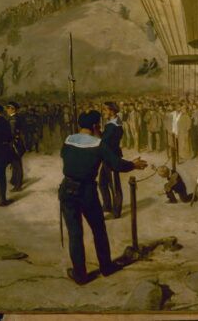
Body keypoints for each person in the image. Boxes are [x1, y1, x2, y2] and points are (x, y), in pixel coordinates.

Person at [60, 110, 147, 284]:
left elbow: (65, 157)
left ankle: (80, 275)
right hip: (86, 192)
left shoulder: (69, 140)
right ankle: (106, 267)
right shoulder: (99, 144)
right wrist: (134, 165)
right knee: (98, 230)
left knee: (75, 233)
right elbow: (116, 164)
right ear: (95, 126)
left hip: (67, 189)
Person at [98, 101, 124, 219]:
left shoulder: (114, 126)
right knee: (103, 182)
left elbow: (104, 141)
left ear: (112, 111)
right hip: (108, 157)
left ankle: (116, 211)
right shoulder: (112, 123)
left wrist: (97, 132)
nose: (103, 113)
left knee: (114, 185)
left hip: (112, 158)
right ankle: (107, 206)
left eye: (105, 110)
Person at [7, 102, 26, 191]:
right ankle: (14, 180)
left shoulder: (13, 119)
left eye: (8, 108)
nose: (7, 110)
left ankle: (18, 185)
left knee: (16, 164)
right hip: (17, 143)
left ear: (13, 109)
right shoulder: (16, 117)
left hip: (14, 143)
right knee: (15, 163)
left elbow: (11, 132)